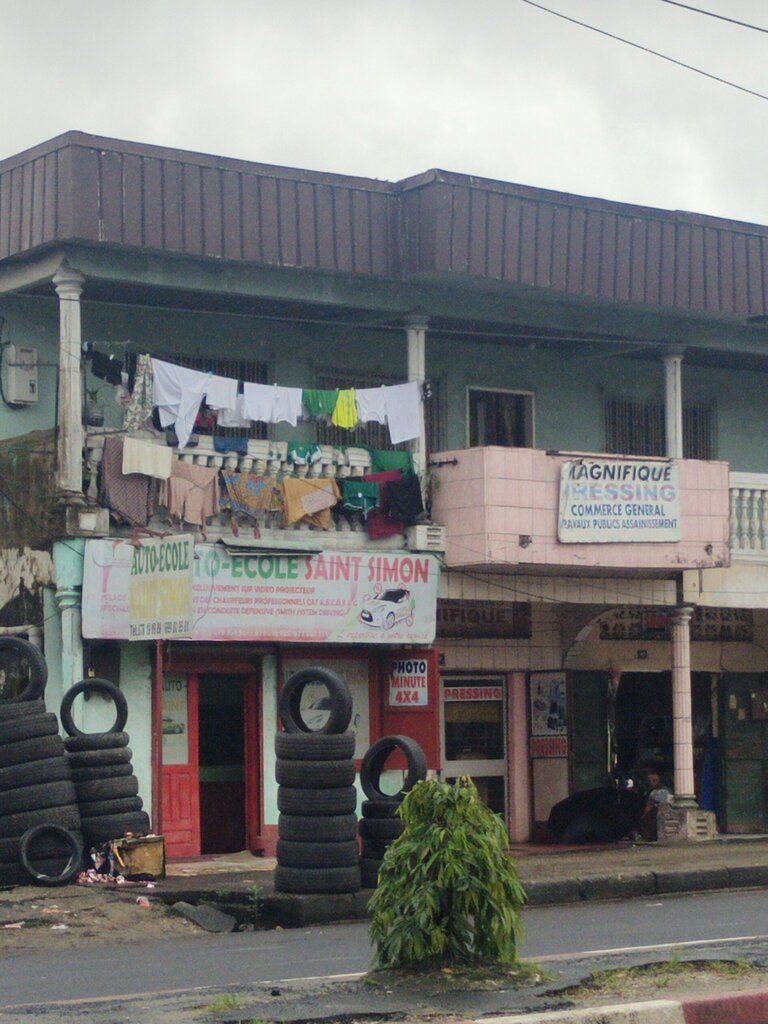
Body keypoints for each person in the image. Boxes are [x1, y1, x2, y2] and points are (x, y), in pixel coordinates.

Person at [640, 769, 671, 841]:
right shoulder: (668, 790)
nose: (651, 783)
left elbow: (648, 808)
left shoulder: (654, 793)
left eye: (653, 781)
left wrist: (643, 816)